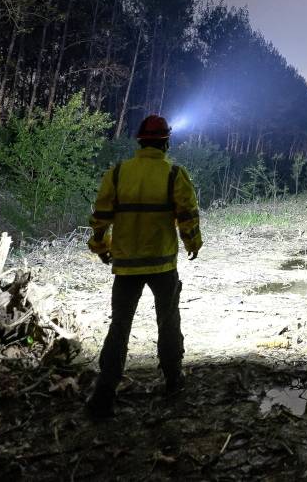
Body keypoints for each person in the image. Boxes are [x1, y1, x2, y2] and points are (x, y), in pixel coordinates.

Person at [84, 114, 203, 419]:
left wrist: (100, 246)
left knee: (119, 328)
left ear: (140, 141)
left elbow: (100, 217)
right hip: (162, 265)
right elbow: (187, 216)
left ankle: (103, 396)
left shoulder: (119, 173)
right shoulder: (174, 174)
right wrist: (192, 244)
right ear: (166, 142)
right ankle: (174, 381)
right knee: (168, 322)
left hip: (125, 267)